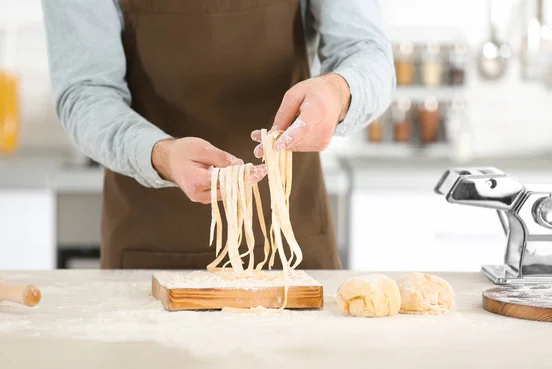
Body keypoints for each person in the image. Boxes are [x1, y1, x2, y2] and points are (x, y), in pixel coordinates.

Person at [41, 0, 395, 270]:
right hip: (149, 250)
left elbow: (366, 52)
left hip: (290, 248)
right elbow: (85, 92)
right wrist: (160, 154)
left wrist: (339, 91)